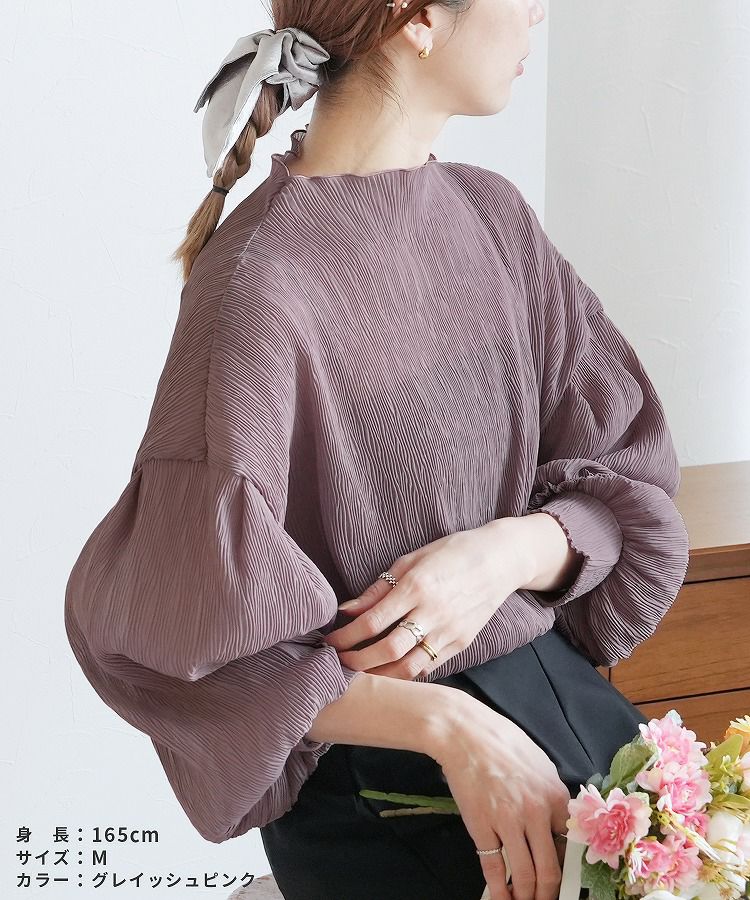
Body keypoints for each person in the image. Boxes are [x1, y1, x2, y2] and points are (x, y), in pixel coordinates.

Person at [63, 0, 691, 898]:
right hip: (393, 793)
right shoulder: (258, 288)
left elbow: (628, 475)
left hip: (560, 713)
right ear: (418, 18)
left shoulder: (492, 216)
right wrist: (447, 727)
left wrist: (506, 553)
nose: (537, 12)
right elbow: (172, 641)